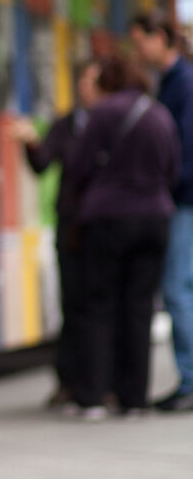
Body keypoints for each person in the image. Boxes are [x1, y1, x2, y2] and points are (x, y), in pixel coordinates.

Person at [67, 55, 179, 418]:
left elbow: (78, 165)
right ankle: (134, 399)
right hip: (156, 217)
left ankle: (95, 396)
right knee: (140, 307)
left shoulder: (103, 113)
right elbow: (173, 168)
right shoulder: (160, 114)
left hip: (109, 217)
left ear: (108, 82)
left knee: (100, 304)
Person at [12, 59, 101, 406]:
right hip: (73, 224)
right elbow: (41, 163)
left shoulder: (112, 123)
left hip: (104, 223)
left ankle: (102, 381)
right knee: (73, 303)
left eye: (94, 80)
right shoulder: (66, 125)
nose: (87, 87)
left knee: (101, 304)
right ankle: (71, 381)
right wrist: (31, 141)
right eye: (85, 80)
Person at [129, 10, 193, 411]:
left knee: (177, 289)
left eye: (141, 42)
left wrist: (167, 188)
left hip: (184, 199)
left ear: (160, 38)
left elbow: (185, 150)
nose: (137, 51)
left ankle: (190, 379)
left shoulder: (182, 82)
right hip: (180, 197)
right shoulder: (173, 81)